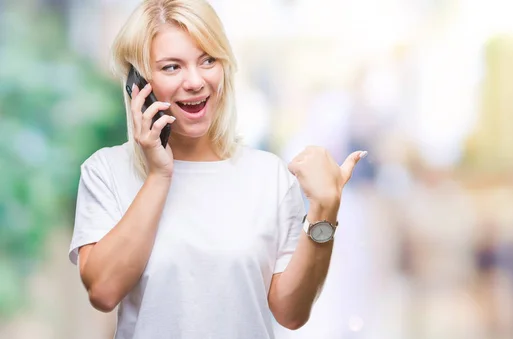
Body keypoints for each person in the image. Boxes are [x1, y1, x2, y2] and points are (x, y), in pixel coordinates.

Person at [67, 0, 367, 338]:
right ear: (138, 84)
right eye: (171, 67)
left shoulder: (268, 176)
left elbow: (291, 313)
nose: (195, 81)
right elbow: (104, 292)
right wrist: (159, 175)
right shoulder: (105, 171)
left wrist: (325, 211)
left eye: (208, 60)